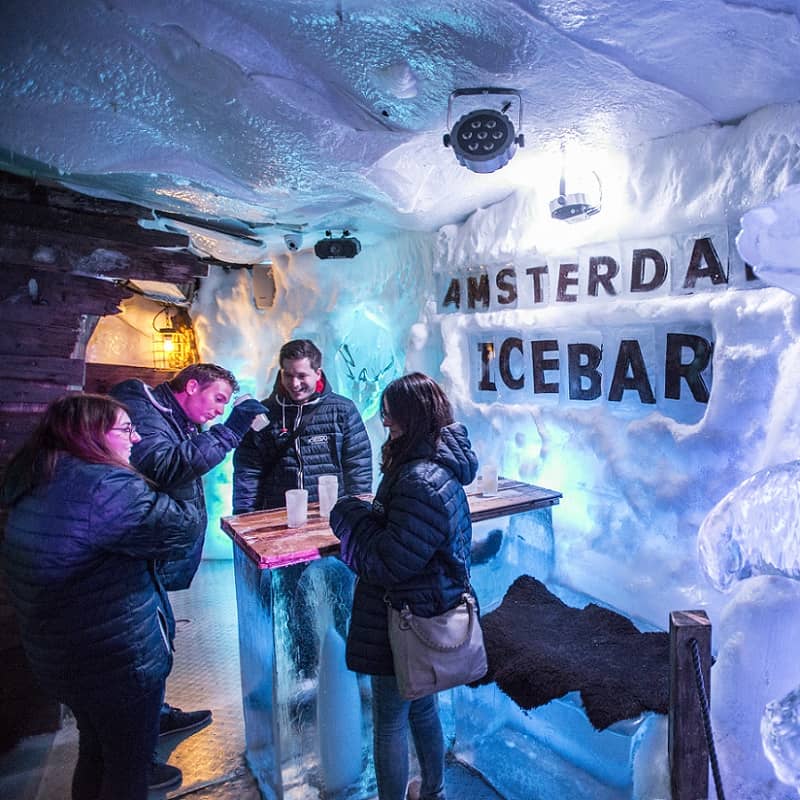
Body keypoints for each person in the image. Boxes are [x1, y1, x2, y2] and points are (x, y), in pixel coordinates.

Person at [1, 394, 202, 799]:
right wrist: (183, 468)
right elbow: (182, 528)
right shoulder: (103, 487)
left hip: (65, 655)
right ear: (90, 435)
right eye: (126, 430)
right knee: (127, 767)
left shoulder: (40, 475)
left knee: (95, 750)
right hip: (114, 658)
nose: (138, 438)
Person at [329, 372, 479, 800]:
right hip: (422, 607)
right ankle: (432, 790)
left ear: (408, 418)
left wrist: (350, 516)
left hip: (405, 615)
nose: (385, 423)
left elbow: (389, 561)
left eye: (389, 416)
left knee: (390, 721)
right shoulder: (433, 465)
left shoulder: (419, 479)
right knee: (422, 707)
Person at [110, 364, 267, 744]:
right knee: (139, 651)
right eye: (217, 400)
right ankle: (135, 747)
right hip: (133, 556)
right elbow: (163, 465)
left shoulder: (171, 417)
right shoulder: (140, 406)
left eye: (225, 405)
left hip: (150, 554)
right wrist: (230, 431)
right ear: (191, 385)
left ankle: (151, 719)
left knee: (156, 642)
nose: (219, 410)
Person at [232, 338, 372, 513]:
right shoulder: (265, 413)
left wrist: (358, 514)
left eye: (302, 375)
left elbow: (357, 466)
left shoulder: (342, 410)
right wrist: (245, 518)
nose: (295, 384)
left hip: (331, 516)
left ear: (318, 373)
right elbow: (248, 470)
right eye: (288, 375)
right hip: (277, 515)